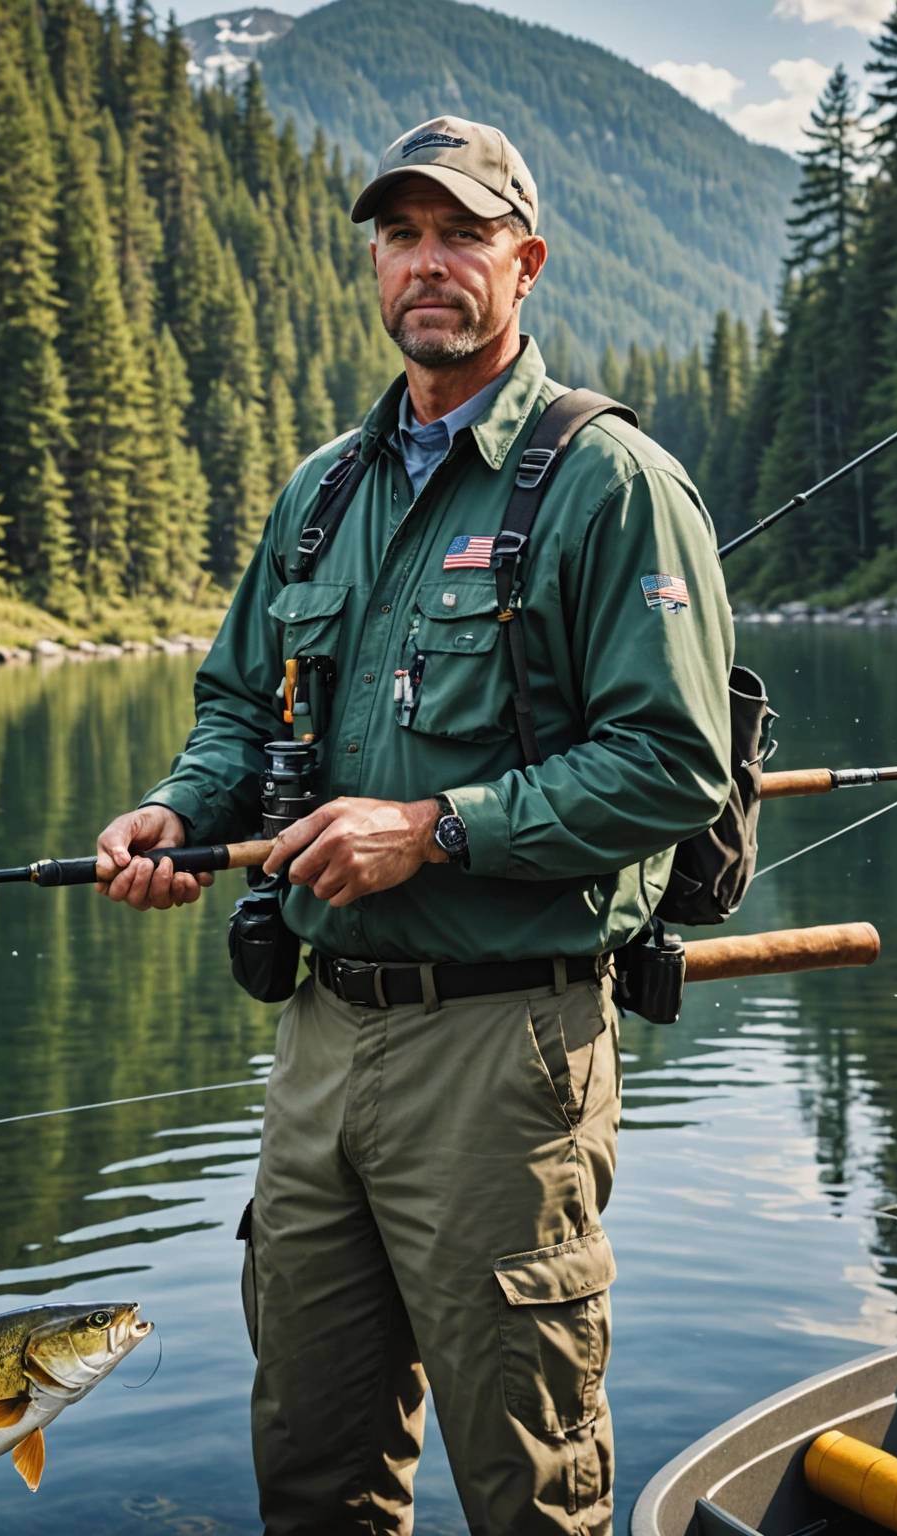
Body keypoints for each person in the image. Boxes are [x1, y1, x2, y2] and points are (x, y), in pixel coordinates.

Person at [94, 115, 734, 1536]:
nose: (426, 265)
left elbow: (672, 762)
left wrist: (433, 830)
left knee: (529, 1487)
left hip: (506, 1053)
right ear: (374, 263)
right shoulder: (320, 493)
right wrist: (173, 811)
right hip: (320, 1044)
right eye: (401, 236)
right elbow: (234, 709)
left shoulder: (608, 483)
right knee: (312, 1472)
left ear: (527, 262)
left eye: (460, 236)